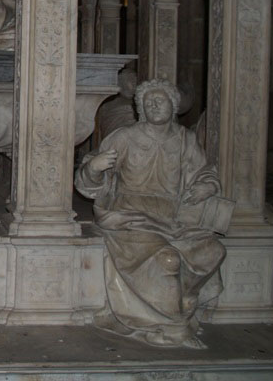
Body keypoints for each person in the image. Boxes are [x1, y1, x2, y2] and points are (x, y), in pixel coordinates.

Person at [75, 78, 227, 348]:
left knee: (213, 251)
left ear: (174, 105)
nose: (154, 105)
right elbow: (89, 181)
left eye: (160, 100)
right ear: (140, 108)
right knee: (167, 260)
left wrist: (207, 186)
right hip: (130, 215)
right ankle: (172, 326)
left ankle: (184, 300)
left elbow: (204, 173)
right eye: (148, 102)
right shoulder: (125, 137)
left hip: (175, 217)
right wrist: (93, 168)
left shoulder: (185, 140)